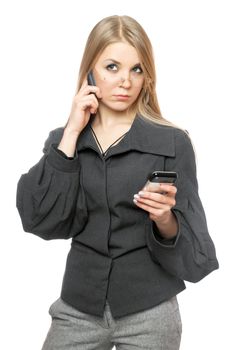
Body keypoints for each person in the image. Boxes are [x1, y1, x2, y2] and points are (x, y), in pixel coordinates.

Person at [16, 15, 219, 350]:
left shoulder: (172, 142)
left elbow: (193, 240)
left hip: (150, 311)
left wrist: (164, 219)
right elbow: (39, 217)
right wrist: (70, 131)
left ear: (146, 77)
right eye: (113, 67)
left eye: (136, 69)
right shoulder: (65, 140)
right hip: (78, 307)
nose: (125, 81)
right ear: (90, 71)